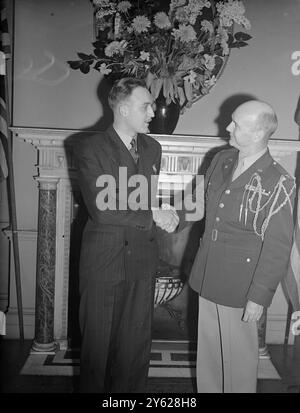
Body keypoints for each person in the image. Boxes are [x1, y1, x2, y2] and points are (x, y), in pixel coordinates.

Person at [73, 77, 179, 393]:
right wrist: (154, 214)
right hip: (104, 263)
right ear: (123, 108)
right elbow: (102, 208)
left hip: (142, 261)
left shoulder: (153, 148)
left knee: (135, 351)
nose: (153, 111)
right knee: (97, 352)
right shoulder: (89, 148)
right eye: (145, 105)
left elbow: (140, 196)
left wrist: (167, 211)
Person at [188, 100, 296, 393]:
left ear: (259, 132)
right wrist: (168, 215)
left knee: (239, 366)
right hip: (207, 275)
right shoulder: (222, 159)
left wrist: (258, 297)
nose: (227, 127)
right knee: (209, 361)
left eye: (236, 123)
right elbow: (199, 205)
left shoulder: (279, 182)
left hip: (241, 287)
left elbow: (278, 247)